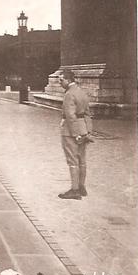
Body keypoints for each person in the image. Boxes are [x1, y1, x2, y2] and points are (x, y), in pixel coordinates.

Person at [58, 69, 93, 200]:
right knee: (82, 160)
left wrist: (75, 133)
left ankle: (74, 190)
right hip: (83, 128)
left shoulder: (69, 94)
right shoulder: (82, 92)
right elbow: (88, 113)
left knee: (72, 161)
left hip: (70, 131)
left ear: (68, 80)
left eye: (61, 80)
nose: (60, 83)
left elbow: (70, 115)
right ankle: (82, 187)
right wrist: (88, 131)